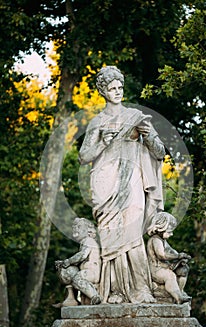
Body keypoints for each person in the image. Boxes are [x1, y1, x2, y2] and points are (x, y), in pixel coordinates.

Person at [78, 66, 165, 303]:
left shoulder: (136, 117)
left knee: (133, 233)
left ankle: (141, 289)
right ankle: (114, 290)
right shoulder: (98, 121)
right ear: (103, 92)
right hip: (105, 183)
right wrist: (102, 144)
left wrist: (148, 136)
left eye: (120, 87)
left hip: (132, 181)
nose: (117, 92)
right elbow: (84, 156)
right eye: (112, 88)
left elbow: (160, 153)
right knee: (110, 235)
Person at [147, 212, 191, 304]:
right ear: (161, 228)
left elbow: (172, 251)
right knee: (170, 276)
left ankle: (180, 292)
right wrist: (178, 256)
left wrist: (181, 258)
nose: (171, 234)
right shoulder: (155, 240)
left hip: (164, 266)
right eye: (169, 231)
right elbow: (161, 255)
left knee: (183, 269)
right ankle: (178, 297)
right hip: (157, 269)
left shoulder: (163, 240)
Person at [55, 217, 102, 305]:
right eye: (74, 227)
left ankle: (95, 296)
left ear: (88, 231)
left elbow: (82, 255)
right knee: (72, 274)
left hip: (92, 272)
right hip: (86, 272)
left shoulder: (89, 241)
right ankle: (71, 299)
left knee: (76, 279)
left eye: (79, 226)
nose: (75, 228)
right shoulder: (84, 242)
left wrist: (68, 261)